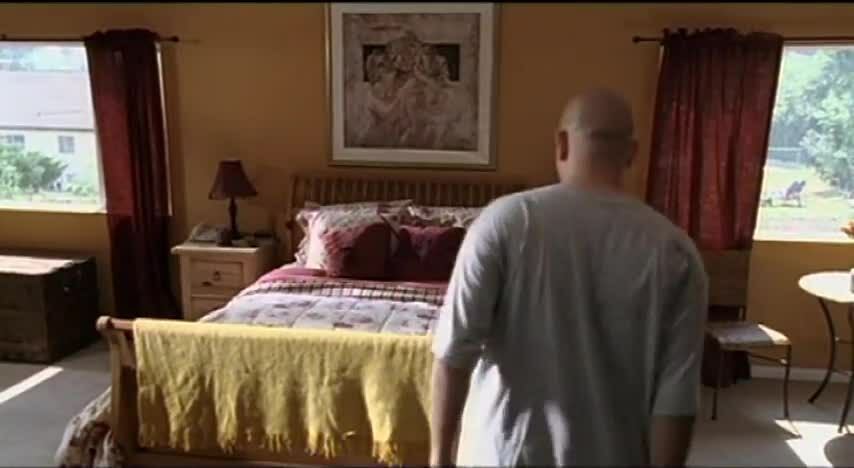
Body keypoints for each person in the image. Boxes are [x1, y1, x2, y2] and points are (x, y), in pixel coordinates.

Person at [430, 89, 709, 466]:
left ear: (561, 143)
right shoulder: (676, 251)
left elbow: (453, 353)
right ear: (631, 153)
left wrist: (439, 458)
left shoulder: (506, 221)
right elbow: (676, 399)